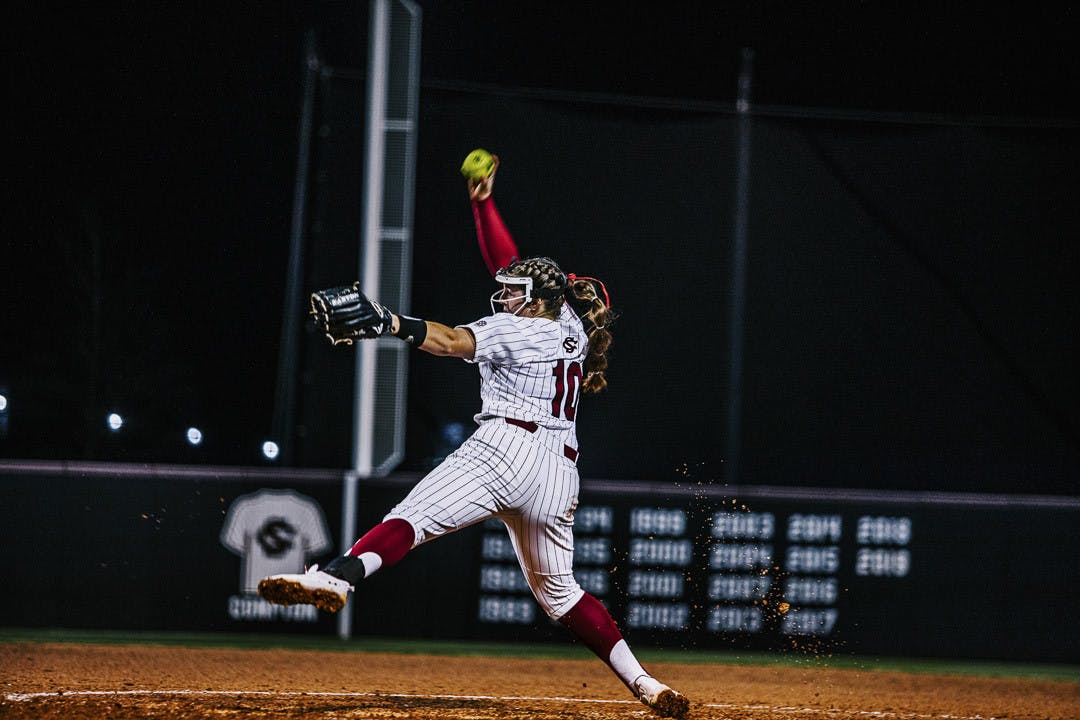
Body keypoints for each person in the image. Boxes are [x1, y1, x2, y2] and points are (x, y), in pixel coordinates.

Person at [259, 156, 690, 719]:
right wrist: (483, 203)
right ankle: (645, 683)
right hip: (559, 471)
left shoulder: (516, 326)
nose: (504, 294)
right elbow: (508, 261)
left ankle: (339, 579)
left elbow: (447, 342)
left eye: (515, 291)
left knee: (409, 520)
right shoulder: (571, 326)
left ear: (538, 301)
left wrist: (388, 322)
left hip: (504, 452)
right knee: (562, 596)